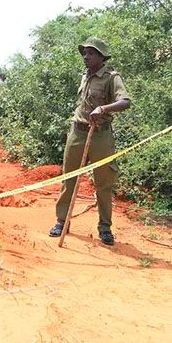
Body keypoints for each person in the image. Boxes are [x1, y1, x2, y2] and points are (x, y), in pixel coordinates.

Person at [48, 38, 131, 246]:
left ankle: (105, 228)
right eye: (84, 53)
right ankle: (62, 221)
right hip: (77, 133)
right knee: (70, 179)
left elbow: (125, 102)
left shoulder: (112, 77)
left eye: (90, 53)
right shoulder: (84, 76)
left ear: (101, 57)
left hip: (101, 135)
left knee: (104, 183)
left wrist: (103, 109)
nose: (86, 57)